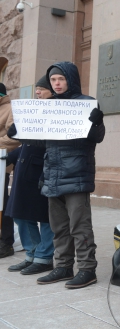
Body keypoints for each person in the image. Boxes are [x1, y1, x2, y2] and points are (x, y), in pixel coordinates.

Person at [31, 63, 105, 290]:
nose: (56, 84)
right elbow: (40, 139)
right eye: (53, 80)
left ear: (70, 79)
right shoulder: (49, 105)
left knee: (79, 225)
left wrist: (97, 122)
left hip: (76, 175)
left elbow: (97, 137)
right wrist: (22, 132)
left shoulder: (86, 103)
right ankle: (63, 266)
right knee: (59, 226)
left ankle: (87, 269)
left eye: (60, 79)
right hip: (53, 175)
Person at [6, 77, 55, 275]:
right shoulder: (33, 108)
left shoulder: (57, 111)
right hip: (24, 169)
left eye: (42, 89)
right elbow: (24, 142)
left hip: (41, 170)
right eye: (37, 89)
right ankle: (32, 253)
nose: (38, 92)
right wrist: (10, 156)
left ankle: (43, 257)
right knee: (20, 214)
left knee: (43, 217)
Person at [0, 81, 21, 259]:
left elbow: (14, 137)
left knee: (2, 204)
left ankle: (6, 242)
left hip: (1, 166)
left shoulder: (10, 109)